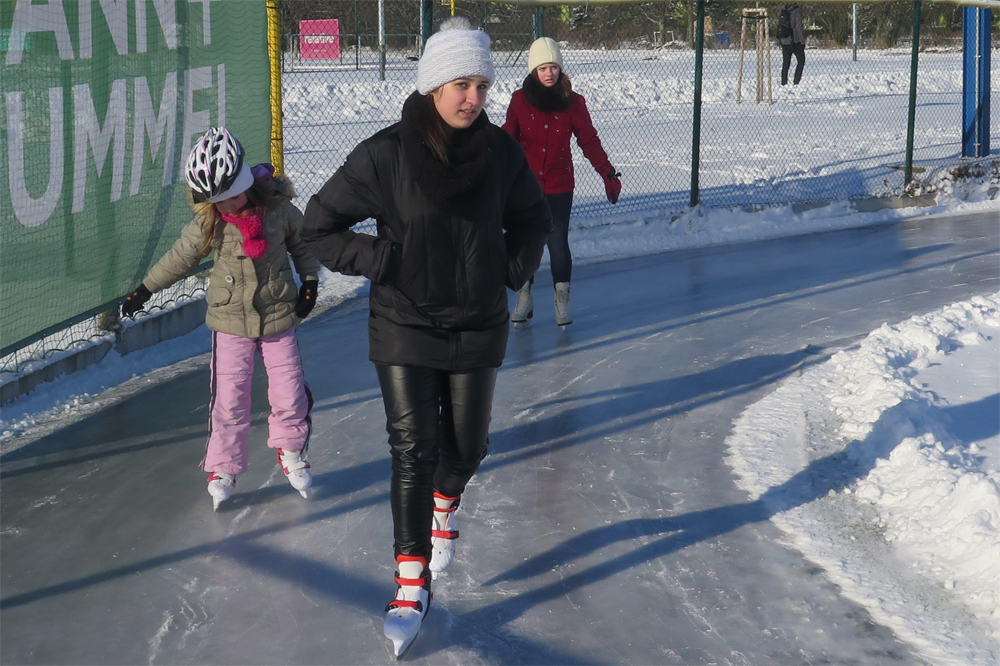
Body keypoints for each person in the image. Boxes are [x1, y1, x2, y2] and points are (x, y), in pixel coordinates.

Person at [300, 17, 551, 658]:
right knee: (412, 448)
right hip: (404, 325)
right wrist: (385, 260)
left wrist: (512, 269)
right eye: (461, 84)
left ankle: (448, 500)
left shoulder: (501, 155)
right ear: (433, 85)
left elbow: (531, 216)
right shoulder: (386, 155)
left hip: (476, 324)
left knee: (465, 447)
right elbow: (319, 227)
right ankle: (410, 584)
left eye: (481, 85)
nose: (474, 97)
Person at [120, 127, 321, 511]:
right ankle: (224, 467)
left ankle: (291, 450)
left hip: (278, 314)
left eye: (230, 198)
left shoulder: (279, 210)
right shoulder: (211, 222)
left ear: (246, 183)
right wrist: (146, 288)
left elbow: (303, 245)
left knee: (290, 390)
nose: (226, 207)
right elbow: (181, 256)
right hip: (229, 321)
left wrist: (310, 280)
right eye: (217, 201)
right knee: (229, 399)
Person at [502, 37, 620, 327]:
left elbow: (588, 140)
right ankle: (524, 294)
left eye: (553, 66)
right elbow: (507, 140)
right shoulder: (519, 100)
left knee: (556, 242)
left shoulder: (573, 102)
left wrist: (607, 172)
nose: (549, 73)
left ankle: (562, 297)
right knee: (526, 242)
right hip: (526, 186)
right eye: (543, 67)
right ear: (534, 71)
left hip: (559, 185)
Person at [778, 3, 806, 85]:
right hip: (795, 41)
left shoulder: (784, 9)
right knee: (801, 61)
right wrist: (802, 41)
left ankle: (783, 82)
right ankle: (796, 81)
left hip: (785, 40)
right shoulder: (796, 10)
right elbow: (798, 27)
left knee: (786, 63)